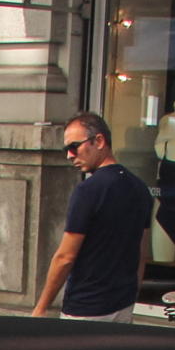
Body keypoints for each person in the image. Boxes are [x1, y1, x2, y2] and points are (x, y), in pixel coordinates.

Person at [27, 112, 151, 323]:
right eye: (67, 149)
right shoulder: (140, 189)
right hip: (123, 304)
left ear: (99, 141)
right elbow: (141, 251)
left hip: (86, 307)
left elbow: (65, 257)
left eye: (74, 146)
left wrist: (41, 307)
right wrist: (132, 295)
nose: (69, 155)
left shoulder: (88, 191)